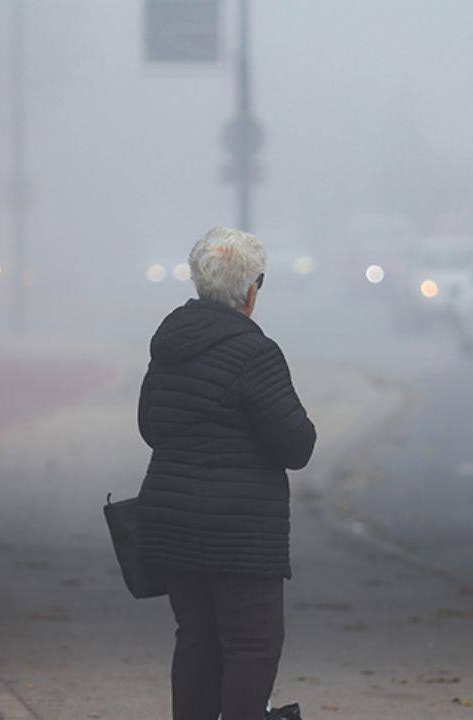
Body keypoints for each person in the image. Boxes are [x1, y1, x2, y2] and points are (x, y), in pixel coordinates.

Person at [136, 226, 317, 720]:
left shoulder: (169, 344)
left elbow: (151, 426)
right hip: (239, 533)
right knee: (252, 649)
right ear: (251, 289)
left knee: (196, 642)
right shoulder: (256, 353)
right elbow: (296, 445)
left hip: (172, 523)